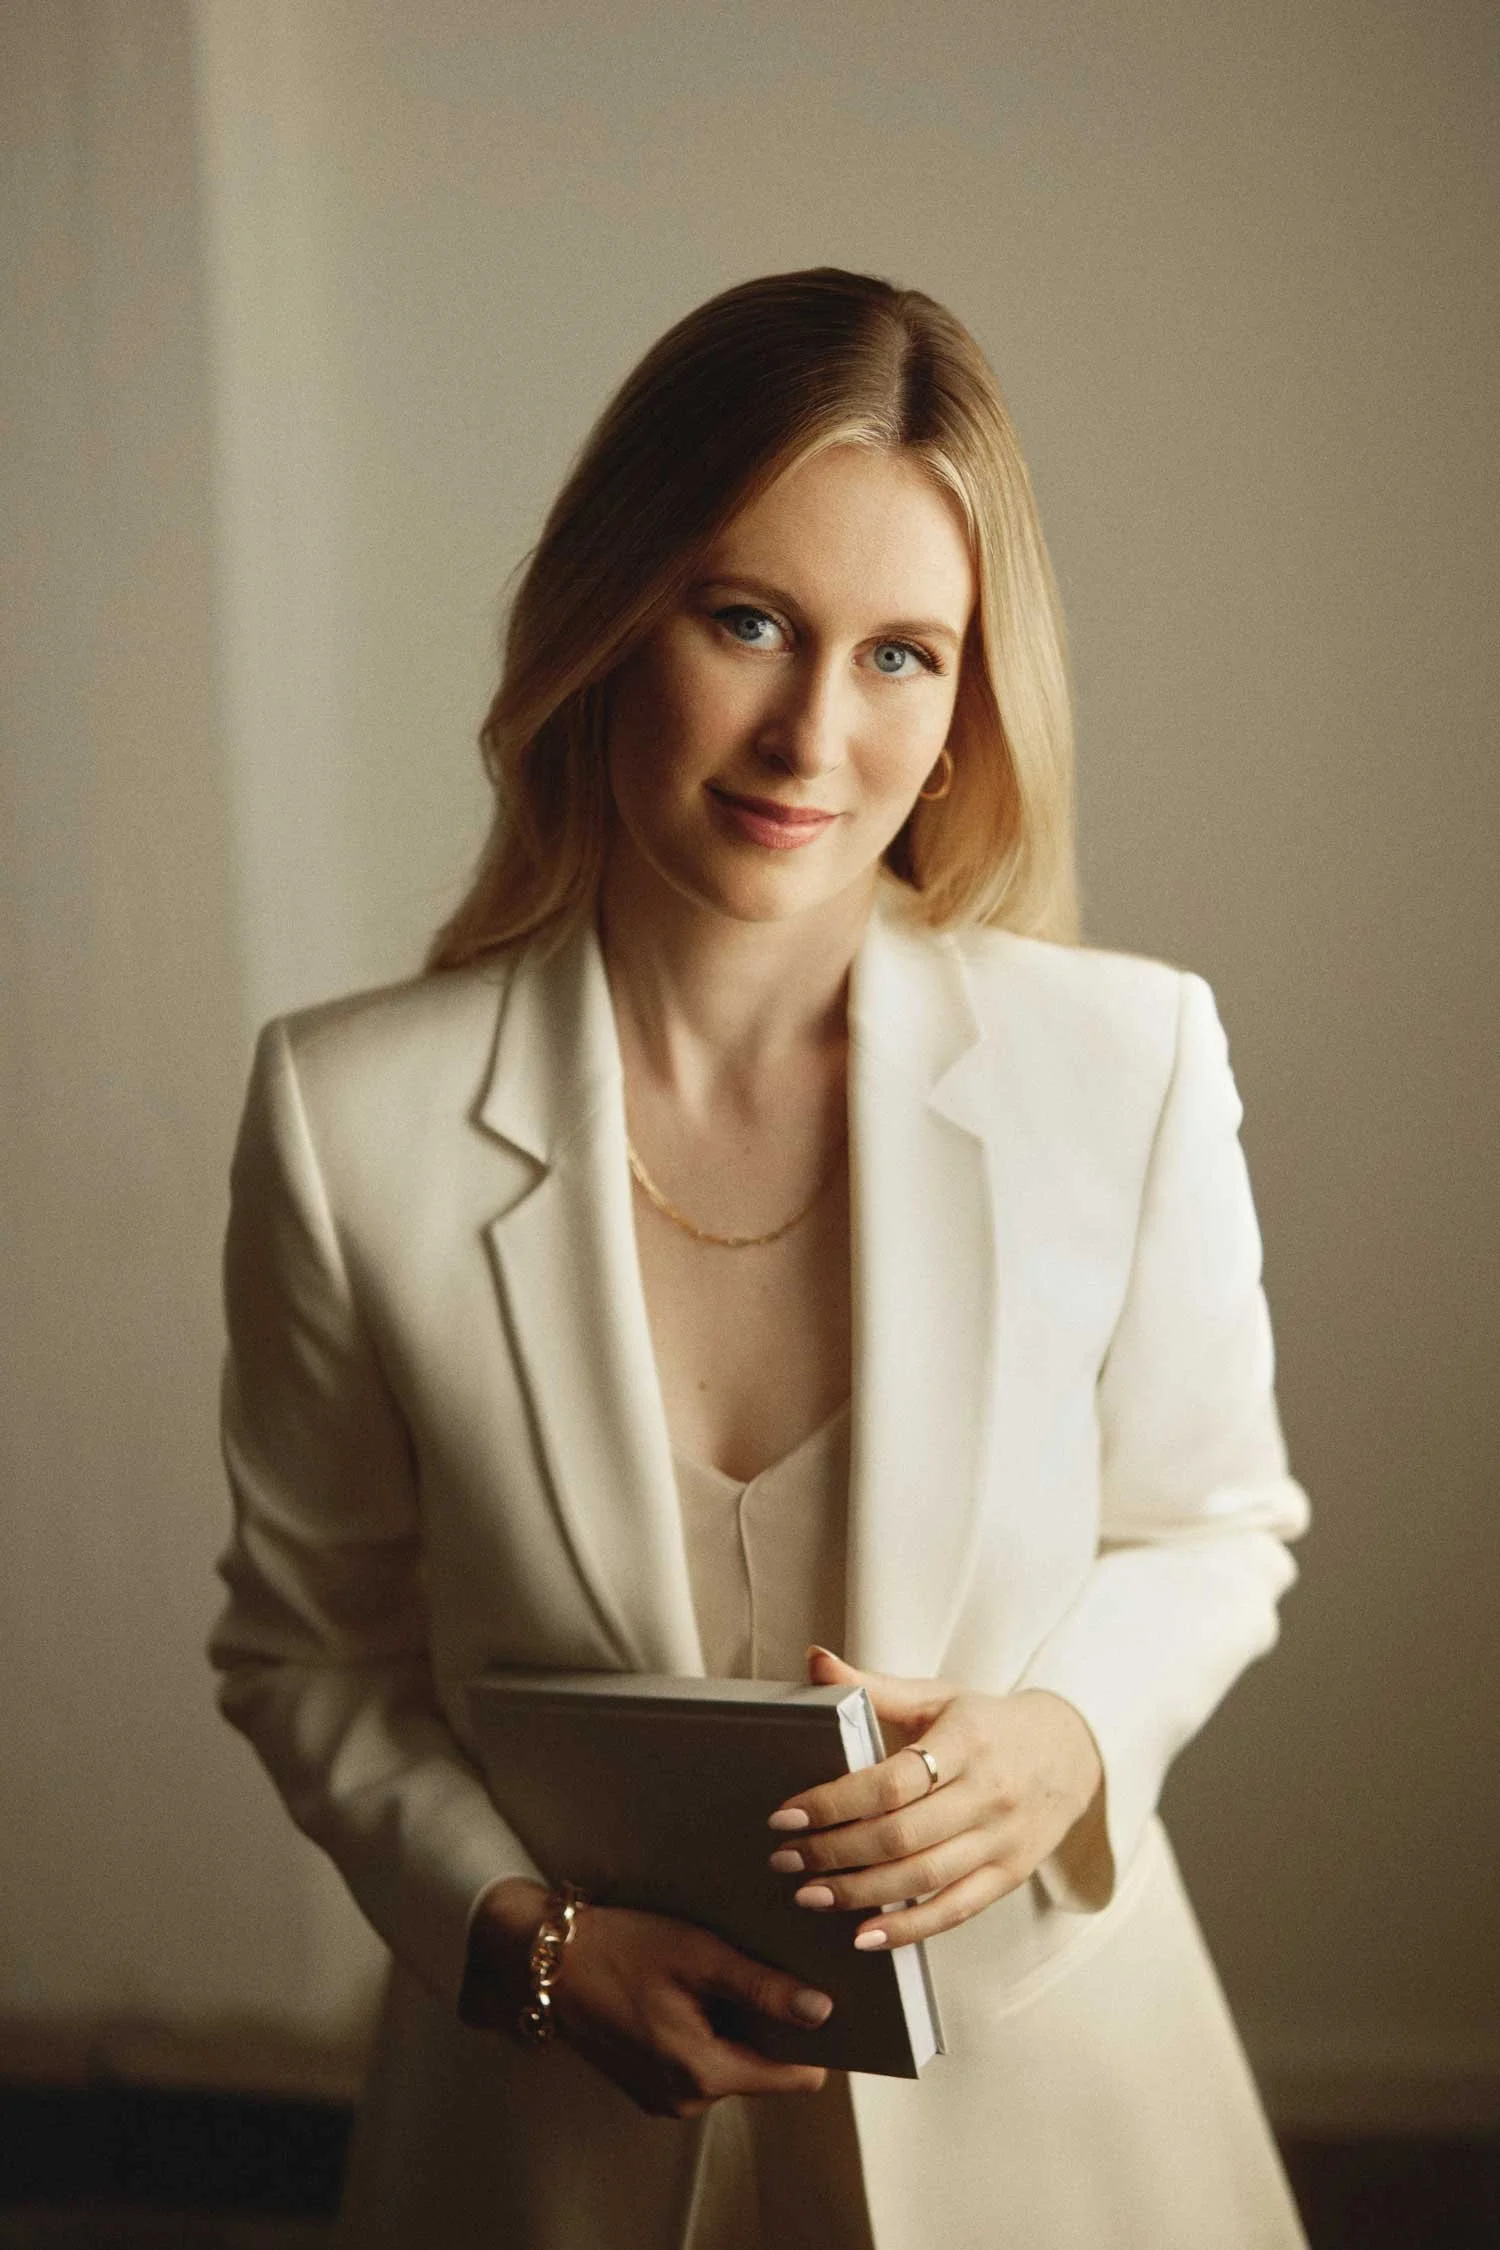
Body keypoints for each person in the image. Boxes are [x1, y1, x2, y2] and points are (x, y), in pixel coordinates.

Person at [209, 266, 1312, 2249]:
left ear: (967, 705)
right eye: (747, 621)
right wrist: (526, 1942)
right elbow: (312, 1649)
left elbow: (1215, 1528)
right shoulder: (340, 1114)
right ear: (607, 619)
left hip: (1056, 2127)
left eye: (902, 655)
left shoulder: (1128, 1061)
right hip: (540, 2142)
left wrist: (1063, 1743)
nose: (815, 732)